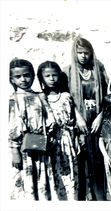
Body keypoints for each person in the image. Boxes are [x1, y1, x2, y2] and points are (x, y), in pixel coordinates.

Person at [63, 37, 107, 200]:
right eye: (79, 53)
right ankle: (84, 196)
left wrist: (100, 116)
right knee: (81, 159)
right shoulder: (68, 71)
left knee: (98, 158)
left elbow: (106, 95)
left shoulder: (98, 68)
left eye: (86, 53)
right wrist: (78, 117)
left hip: (96, 118)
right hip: (79, 120)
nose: (83, 56)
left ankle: (100, 195)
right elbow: (67, 98)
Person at [8, 59, 56, 200]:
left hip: (41, 145)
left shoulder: (39, 96)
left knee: (43, 181)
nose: (23, 79)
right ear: (12, 79)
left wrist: (49, 137)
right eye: (18, 76)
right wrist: (14, 150)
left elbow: (50, 119)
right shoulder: (14, 99)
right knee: (28, 182)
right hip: (24, 149)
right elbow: (13, 126)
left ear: (33, 76)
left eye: (27, 75)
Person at [37, 61, 79, 200]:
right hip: (51, 142)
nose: (51, 79)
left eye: (54, 75)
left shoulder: (66, 96)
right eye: (47, 76)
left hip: (67, 140)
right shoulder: (41, 98)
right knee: (54, 173)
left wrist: (76, 139)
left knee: (70, 173)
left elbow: (72, 120)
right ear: (41, 78)